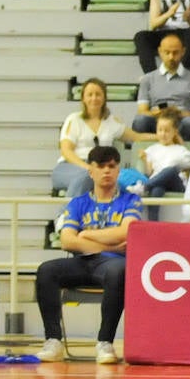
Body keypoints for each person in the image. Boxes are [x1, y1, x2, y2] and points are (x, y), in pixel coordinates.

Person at [35, 146, 139, 365]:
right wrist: (107, 243)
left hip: (113, 265)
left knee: (118, 270)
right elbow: (67, 240)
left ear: (118, 170)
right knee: (47, 270)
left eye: (111, 166)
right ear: (91, 171)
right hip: (83, 261)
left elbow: (127, 232)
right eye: (101, 166)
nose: (107, 171)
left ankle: (105, 342)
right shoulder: (78, 202)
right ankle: (53, 341)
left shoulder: (131, 201)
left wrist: (88, 234)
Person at [53, 78, 150, 197]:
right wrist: (88, 167)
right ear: (83, 98)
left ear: (104, 98)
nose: (94, 98)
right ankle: (65, 214)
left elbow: (136, 137)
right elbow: (66, 151)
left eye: (98, 94)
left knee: (105, 180)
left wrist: (161, 136)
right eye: (90, 95)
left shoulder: (111, 122)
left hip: (99, 169)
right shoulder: (74, 120)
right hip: (69, 167)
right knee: (87, 177)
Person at [133, 33, 190, 152]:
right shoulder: (147, 79)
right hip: (157, 121)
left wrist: (180, 113)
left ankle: (189, 157)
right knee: (141, 121)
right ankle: (143, 157)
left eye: (175, 52)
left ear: (183, 52)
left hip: (182, 120)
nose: (171, 57)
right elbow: (142, 111)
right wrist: (159, 113)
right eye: (167, 52)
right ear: (160, 52)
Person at [140, 110, 190, 220]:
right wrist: (145, 159)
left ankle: (144, 187)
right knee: (157, 190)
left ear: (175, 132)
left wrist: (180, 142)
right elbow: (150, 172)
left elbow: (185, 169)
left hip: (176, 184)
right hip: (157, 181)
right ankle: (152, 224)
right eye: (160, 130)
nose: (163, 134)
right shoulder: (152, 149)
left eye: (167, 131)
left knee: (171, 170)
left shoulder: (182, 150)